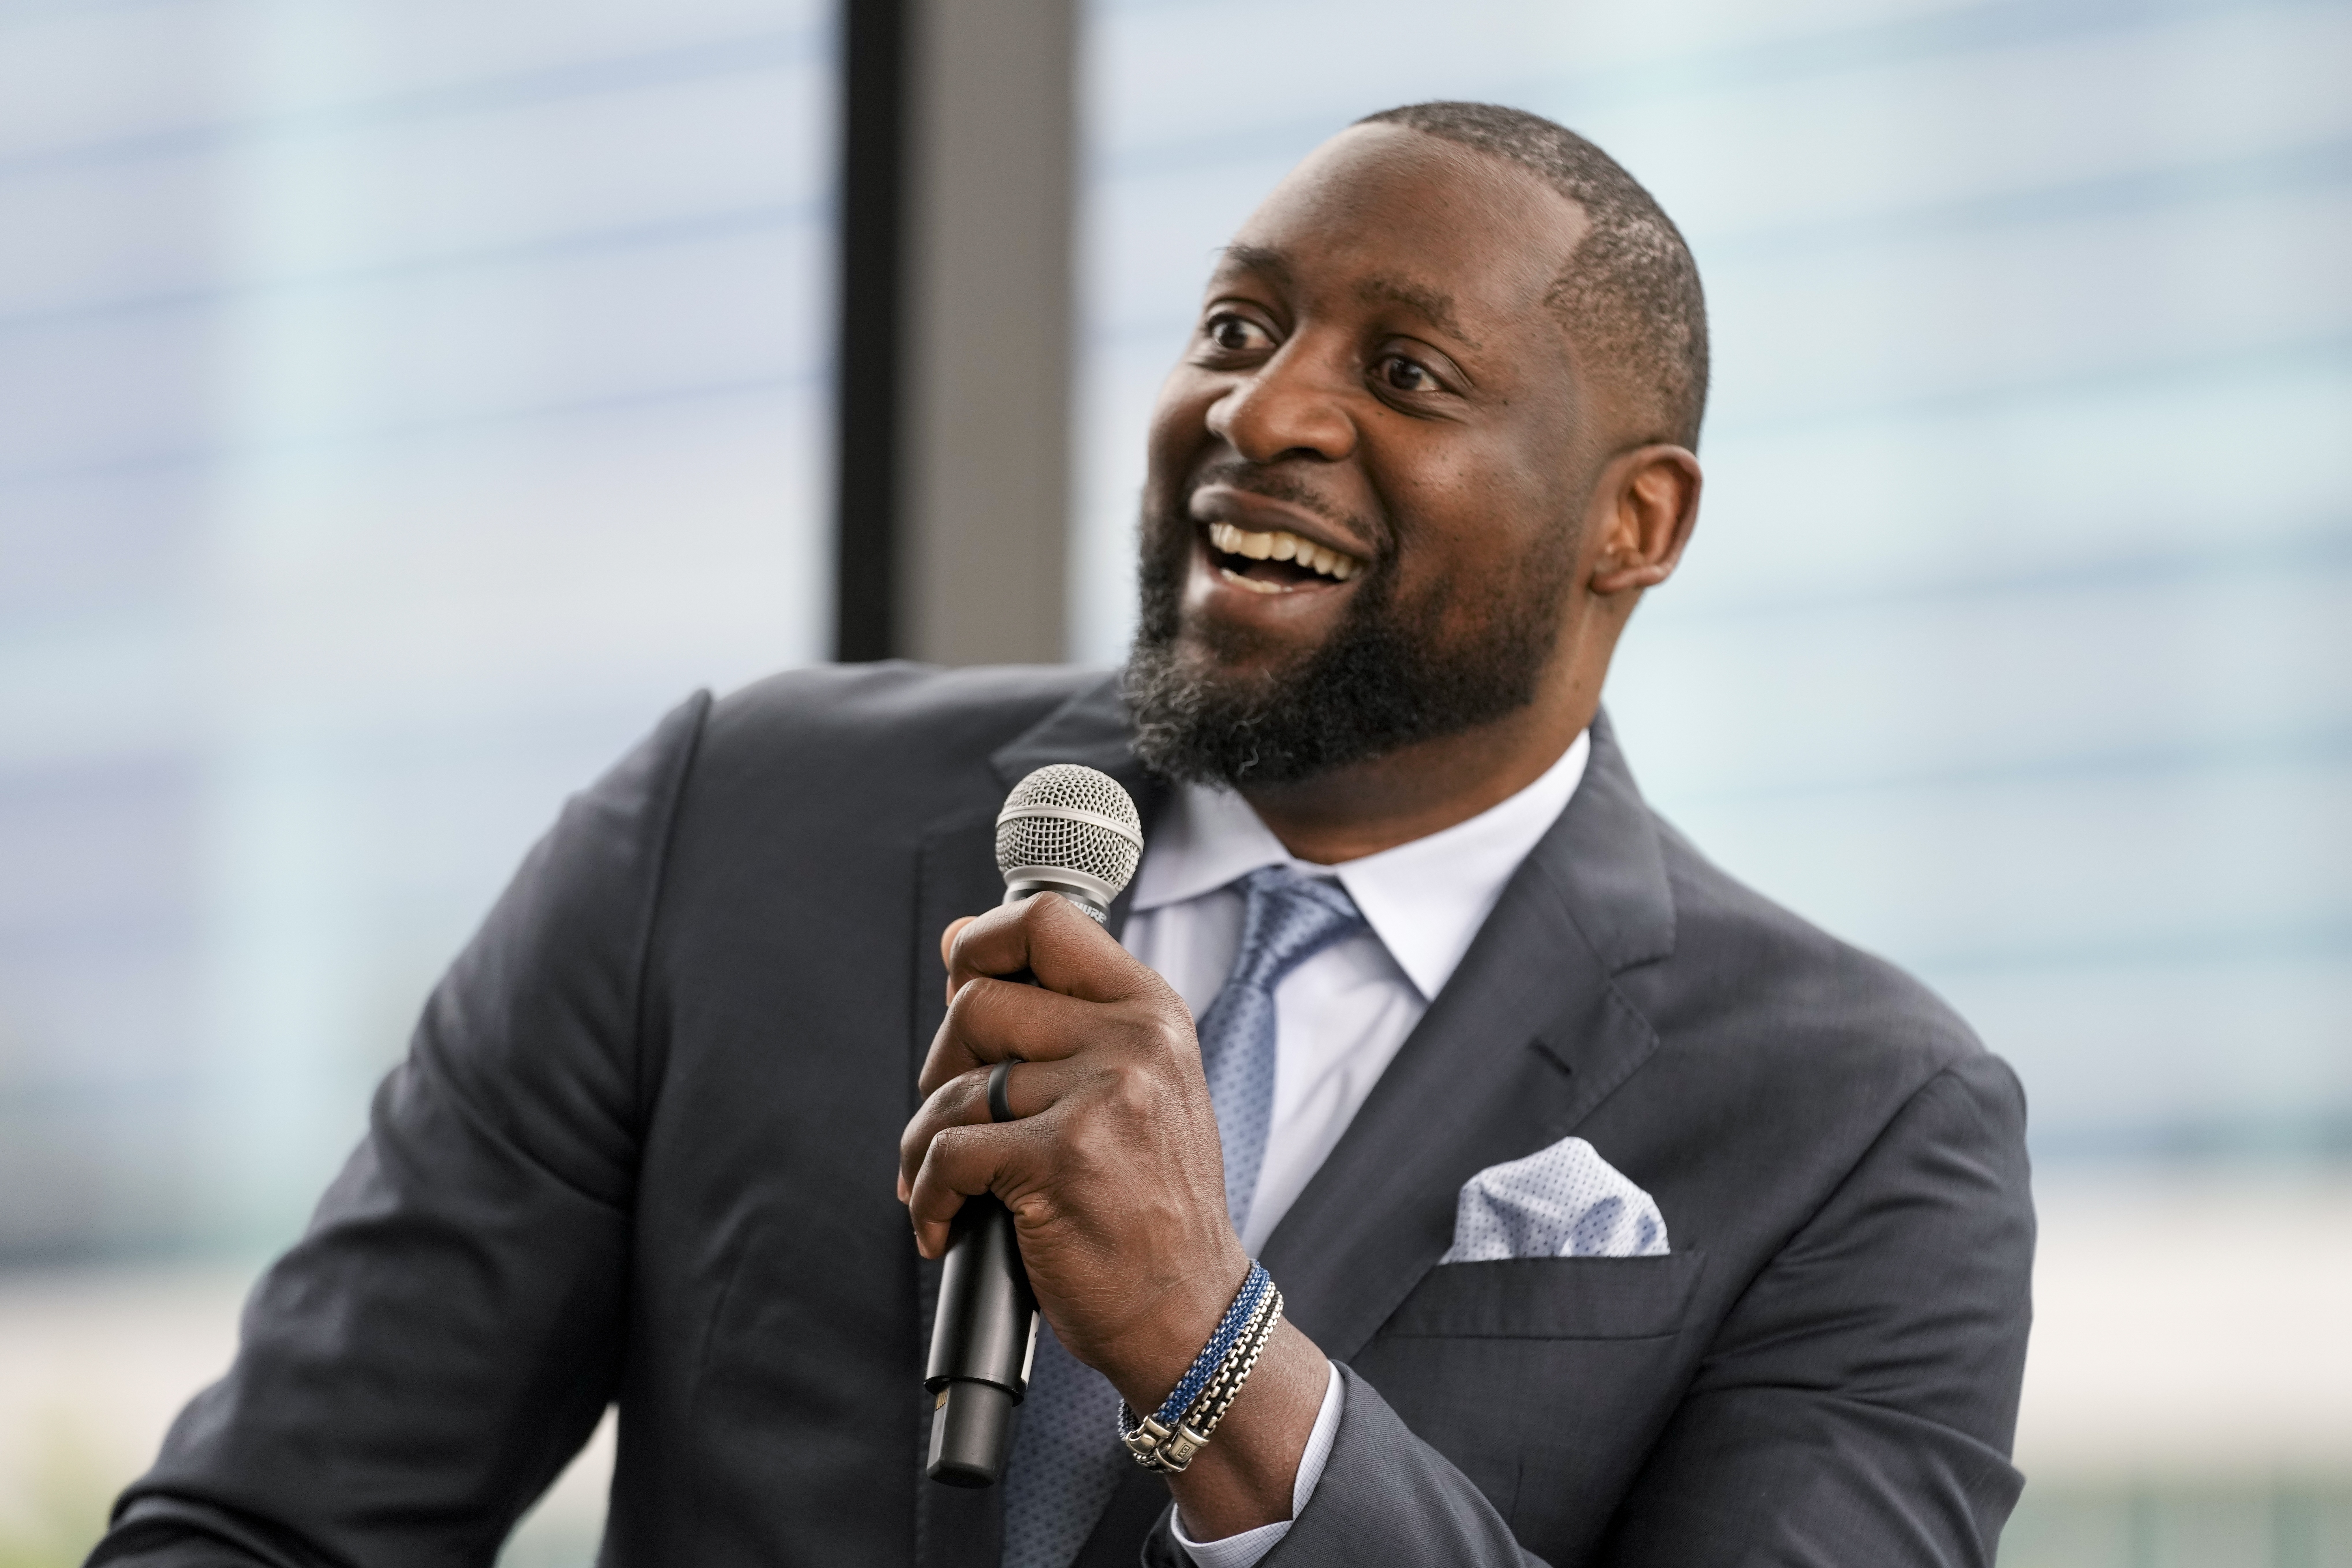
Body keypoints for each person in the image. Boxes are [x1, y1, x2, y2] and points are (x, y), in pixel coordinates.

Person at [92, 102, 2032, 1568]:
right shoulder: (730, 820)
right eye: (1233, 325)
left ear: (1636, 524)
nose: (1262, 410)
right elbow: (269, 1525)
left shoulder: (1867, 1121)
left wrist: (1217, 1354)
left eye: (1404, 372)